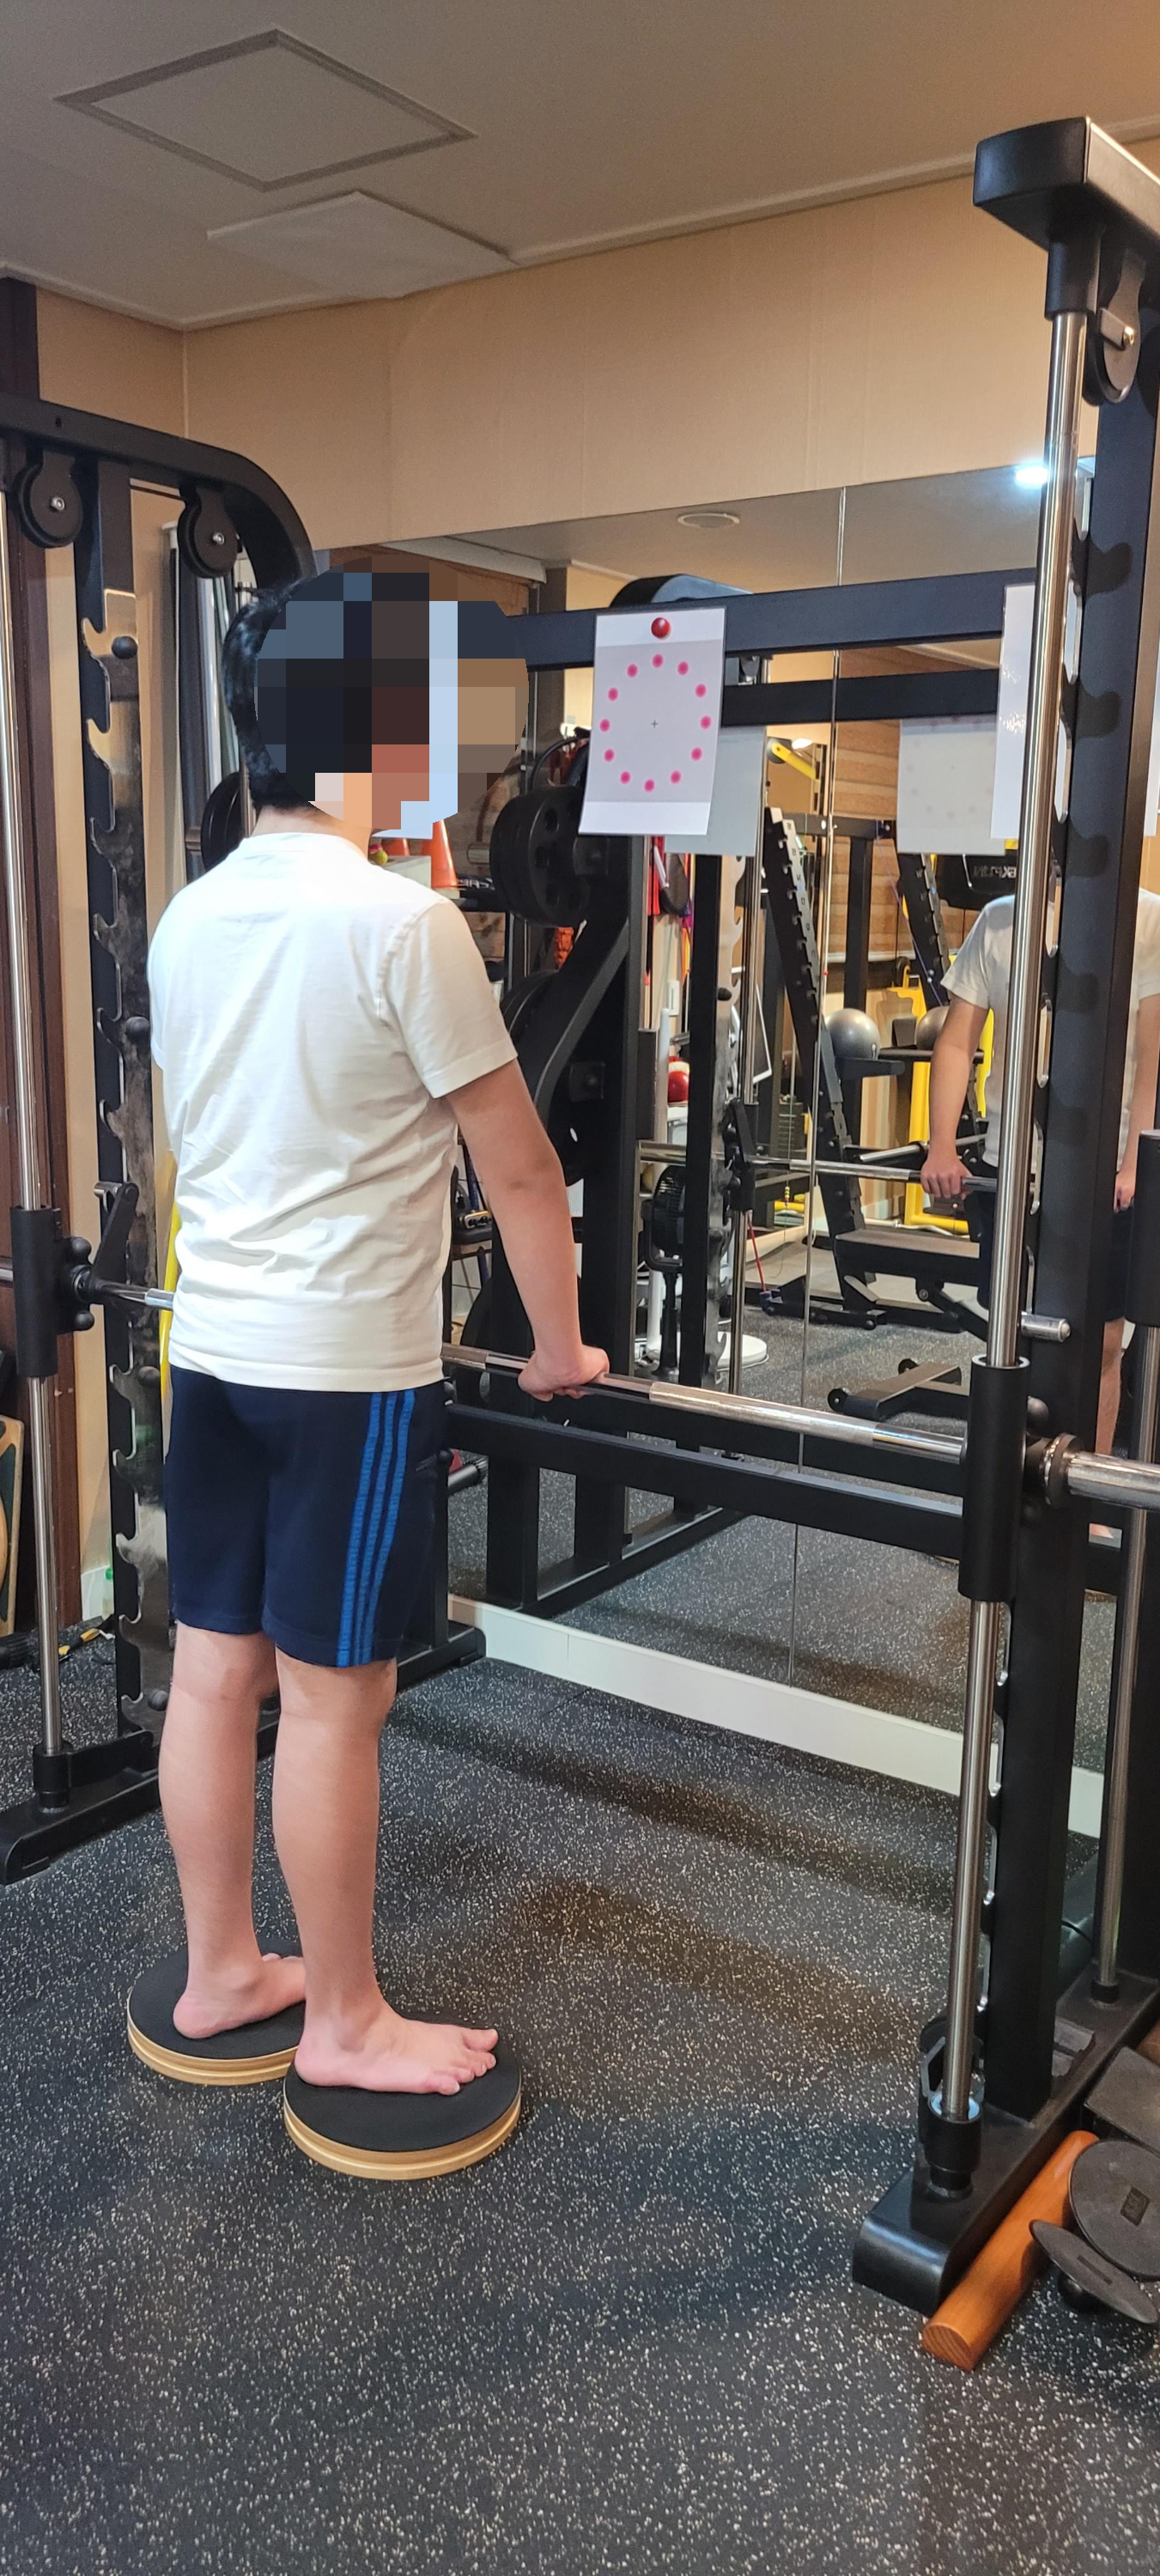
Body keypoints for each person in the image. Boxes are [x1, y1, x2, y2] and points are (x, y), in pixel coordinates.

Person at [146, 585, 607, 2106]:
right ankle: (342, 2021)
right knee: (338, 1696)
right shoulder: (402, 926)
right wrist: (558, 1346)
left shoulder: (190, 914)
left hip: (212, 1352)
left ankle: (225, 1970)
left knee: (215, 1673)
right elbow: (518, 1167)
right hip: (344, 1373)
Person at [922, 887, 1160, 1458]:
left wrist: (1133, 1161)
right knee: (1009, 1336)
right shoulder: (1000, 919)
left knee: (1103, 1345)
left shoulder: (1146, 917)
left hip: (1104, 1170)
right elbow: (956, 1041)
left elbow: (1153, 1052)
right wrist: (941, 1147)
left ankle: (1088, 1489)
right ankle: (1005, 1486)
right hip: (1012, 1164)